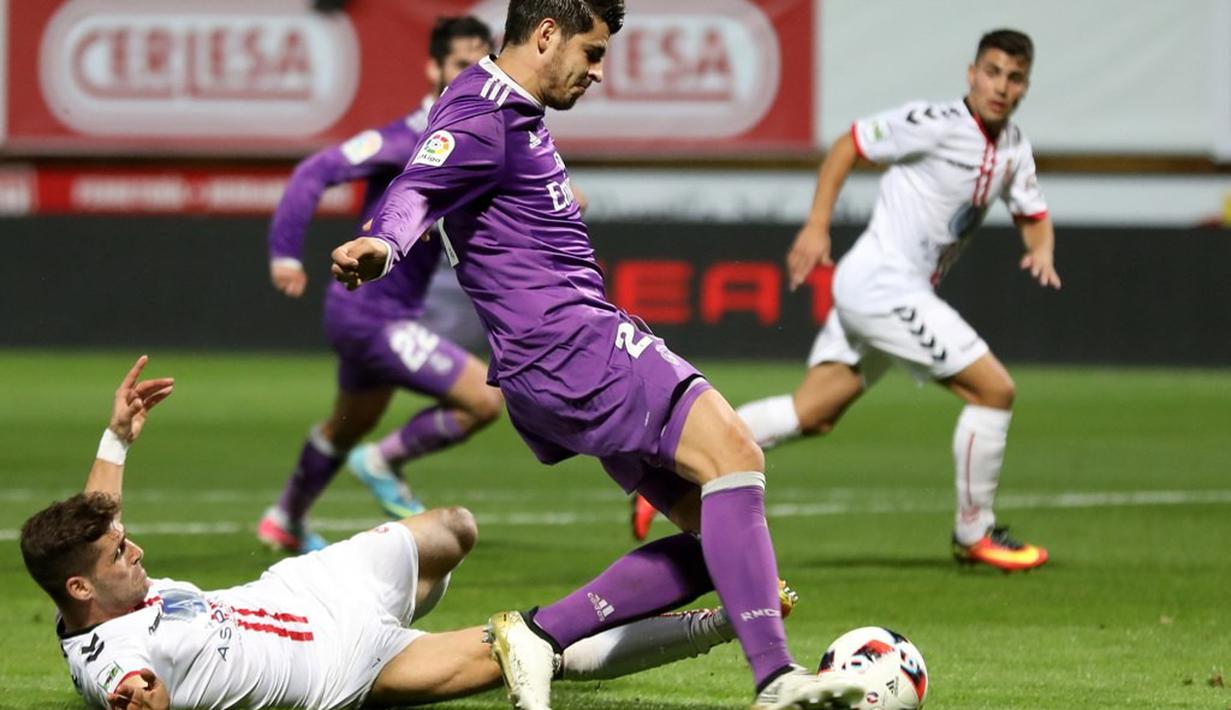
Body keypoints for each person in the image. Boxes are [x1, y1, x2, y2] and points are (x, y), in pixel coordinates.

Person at [330, 1, 868, 708]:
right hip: (572, 345)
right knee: (737, 456)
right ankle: (774, 678)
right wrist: (384, 242)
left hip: (550, 361)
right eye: (591, 53)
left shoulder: (509, 112)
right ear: (546, 35)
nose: (598, 72)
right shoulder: (483, 111)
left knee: (722, 541)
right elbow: (417, 188)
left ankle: (538, 634)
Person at [21, 356, 796, 710]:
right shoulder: (115, 657)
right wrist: (137, 700)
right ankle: (715, 624)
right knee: (530, 651)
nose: (136, 548)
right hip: (345, 668)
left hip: (305, 586)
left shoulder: (92, 591)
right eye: (121, 554)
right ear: (83, 588)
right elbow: (130, 692)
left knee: (454, 528)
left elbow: (97, 521)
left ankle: (417, 603)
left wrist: (117, 438)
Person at [736, 29, 1058, 572]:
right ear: (972, 73)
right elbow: (849, 145)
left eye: (1015, 77)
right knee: (994, 391)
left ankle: (678, 469)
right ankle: (974, 532)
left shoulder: (1013, 148)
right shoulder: (933, 124)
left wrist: (1041, 251)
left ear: (1026, 86)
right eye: (993, 72)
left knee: (811, 413)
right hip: (882, 283)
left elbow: (1033, 214)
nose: (1001, 86)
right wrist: (817, 227)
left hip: (892, 290)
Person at [261, 16, 505, 553]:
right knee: (484, 401)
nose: (472, 76)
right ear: (433, 67)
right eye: (461, 66)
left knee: (345, 426)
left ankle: (285, 518)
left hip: (371, 313)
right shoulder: (405, 139)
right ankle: (383, 461)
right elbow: (313, 172)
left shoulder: (473, 136)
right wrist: (285, 252)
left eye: (481, 66)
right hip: (373, 315)